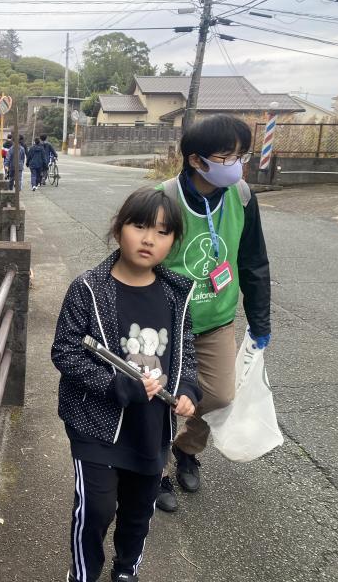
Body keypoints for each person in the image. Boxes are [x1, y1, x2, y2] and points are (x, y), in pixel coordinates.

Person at [52, 187, 200, 582]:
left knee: (139, 511)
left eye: (163, 232)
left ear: (173, 242)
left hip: (151, 428)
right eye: (139, 226)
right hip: (96, 425)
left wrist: (187, 389)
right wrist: (117, 384)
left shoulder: (175, 295)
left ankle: (125, 572)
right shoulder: (89, 288)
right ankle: (83, 574)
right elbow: (65, 352)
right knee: (97, 509)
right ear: (119, 230)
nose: (149, 238)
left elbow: (186, 351)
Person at [155, 114, 271, 512]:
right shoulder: (165, 199)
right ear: (196, 161)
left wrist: (260, 321)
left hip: (216, 320)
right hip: (166, 324)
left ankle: (186, 449)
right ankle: (155, 470)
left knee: (220, 395)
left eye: (242, 154)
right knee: (161, 399)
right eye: (227, 156)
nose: (237, 164)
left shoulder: (241, 196)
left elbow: (254, 260)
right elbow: (138, 262)